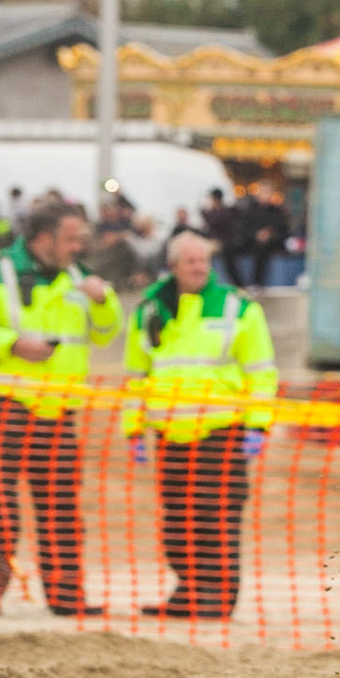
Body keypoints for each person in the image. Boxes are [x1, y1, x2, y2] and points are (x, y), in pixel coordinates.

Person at [123, 231, 278, 619]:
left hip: (219, 431)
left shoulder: (237, 308)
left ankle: (217, 598)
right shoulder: (150, 310)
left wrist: (258, 425)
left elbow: (261, 372)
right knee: (177, 518)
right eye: (190, 261)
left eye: (203, 261)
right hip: (170, 433)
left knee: (215, 516)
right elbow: (136, 374)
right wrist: (132, 427)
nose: (198, 268)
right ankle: (188, 592)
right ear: (172, 265)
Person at [0, 199, 123, 616]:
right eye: (71, 238)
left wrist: (103, 302)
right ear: (43, 238)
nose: (79, 245)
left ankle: (67, 598)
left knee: (62, 510)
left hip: (59, 412)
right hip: (3, 405)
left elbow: (105, 334)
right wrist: (11, 344)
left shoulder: (81, 276)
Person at [232, 185, 290, 290]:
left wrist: (270, 234)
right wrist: (256, 235)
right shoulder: (250, 211)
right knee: (228, 249)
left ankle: (257, 283)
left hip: (271, 244)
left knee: (262, 248)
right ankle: (238, 284)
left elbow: (284, 232)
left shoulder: (277, 212)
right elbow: (243, 230)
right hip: (251, 242)